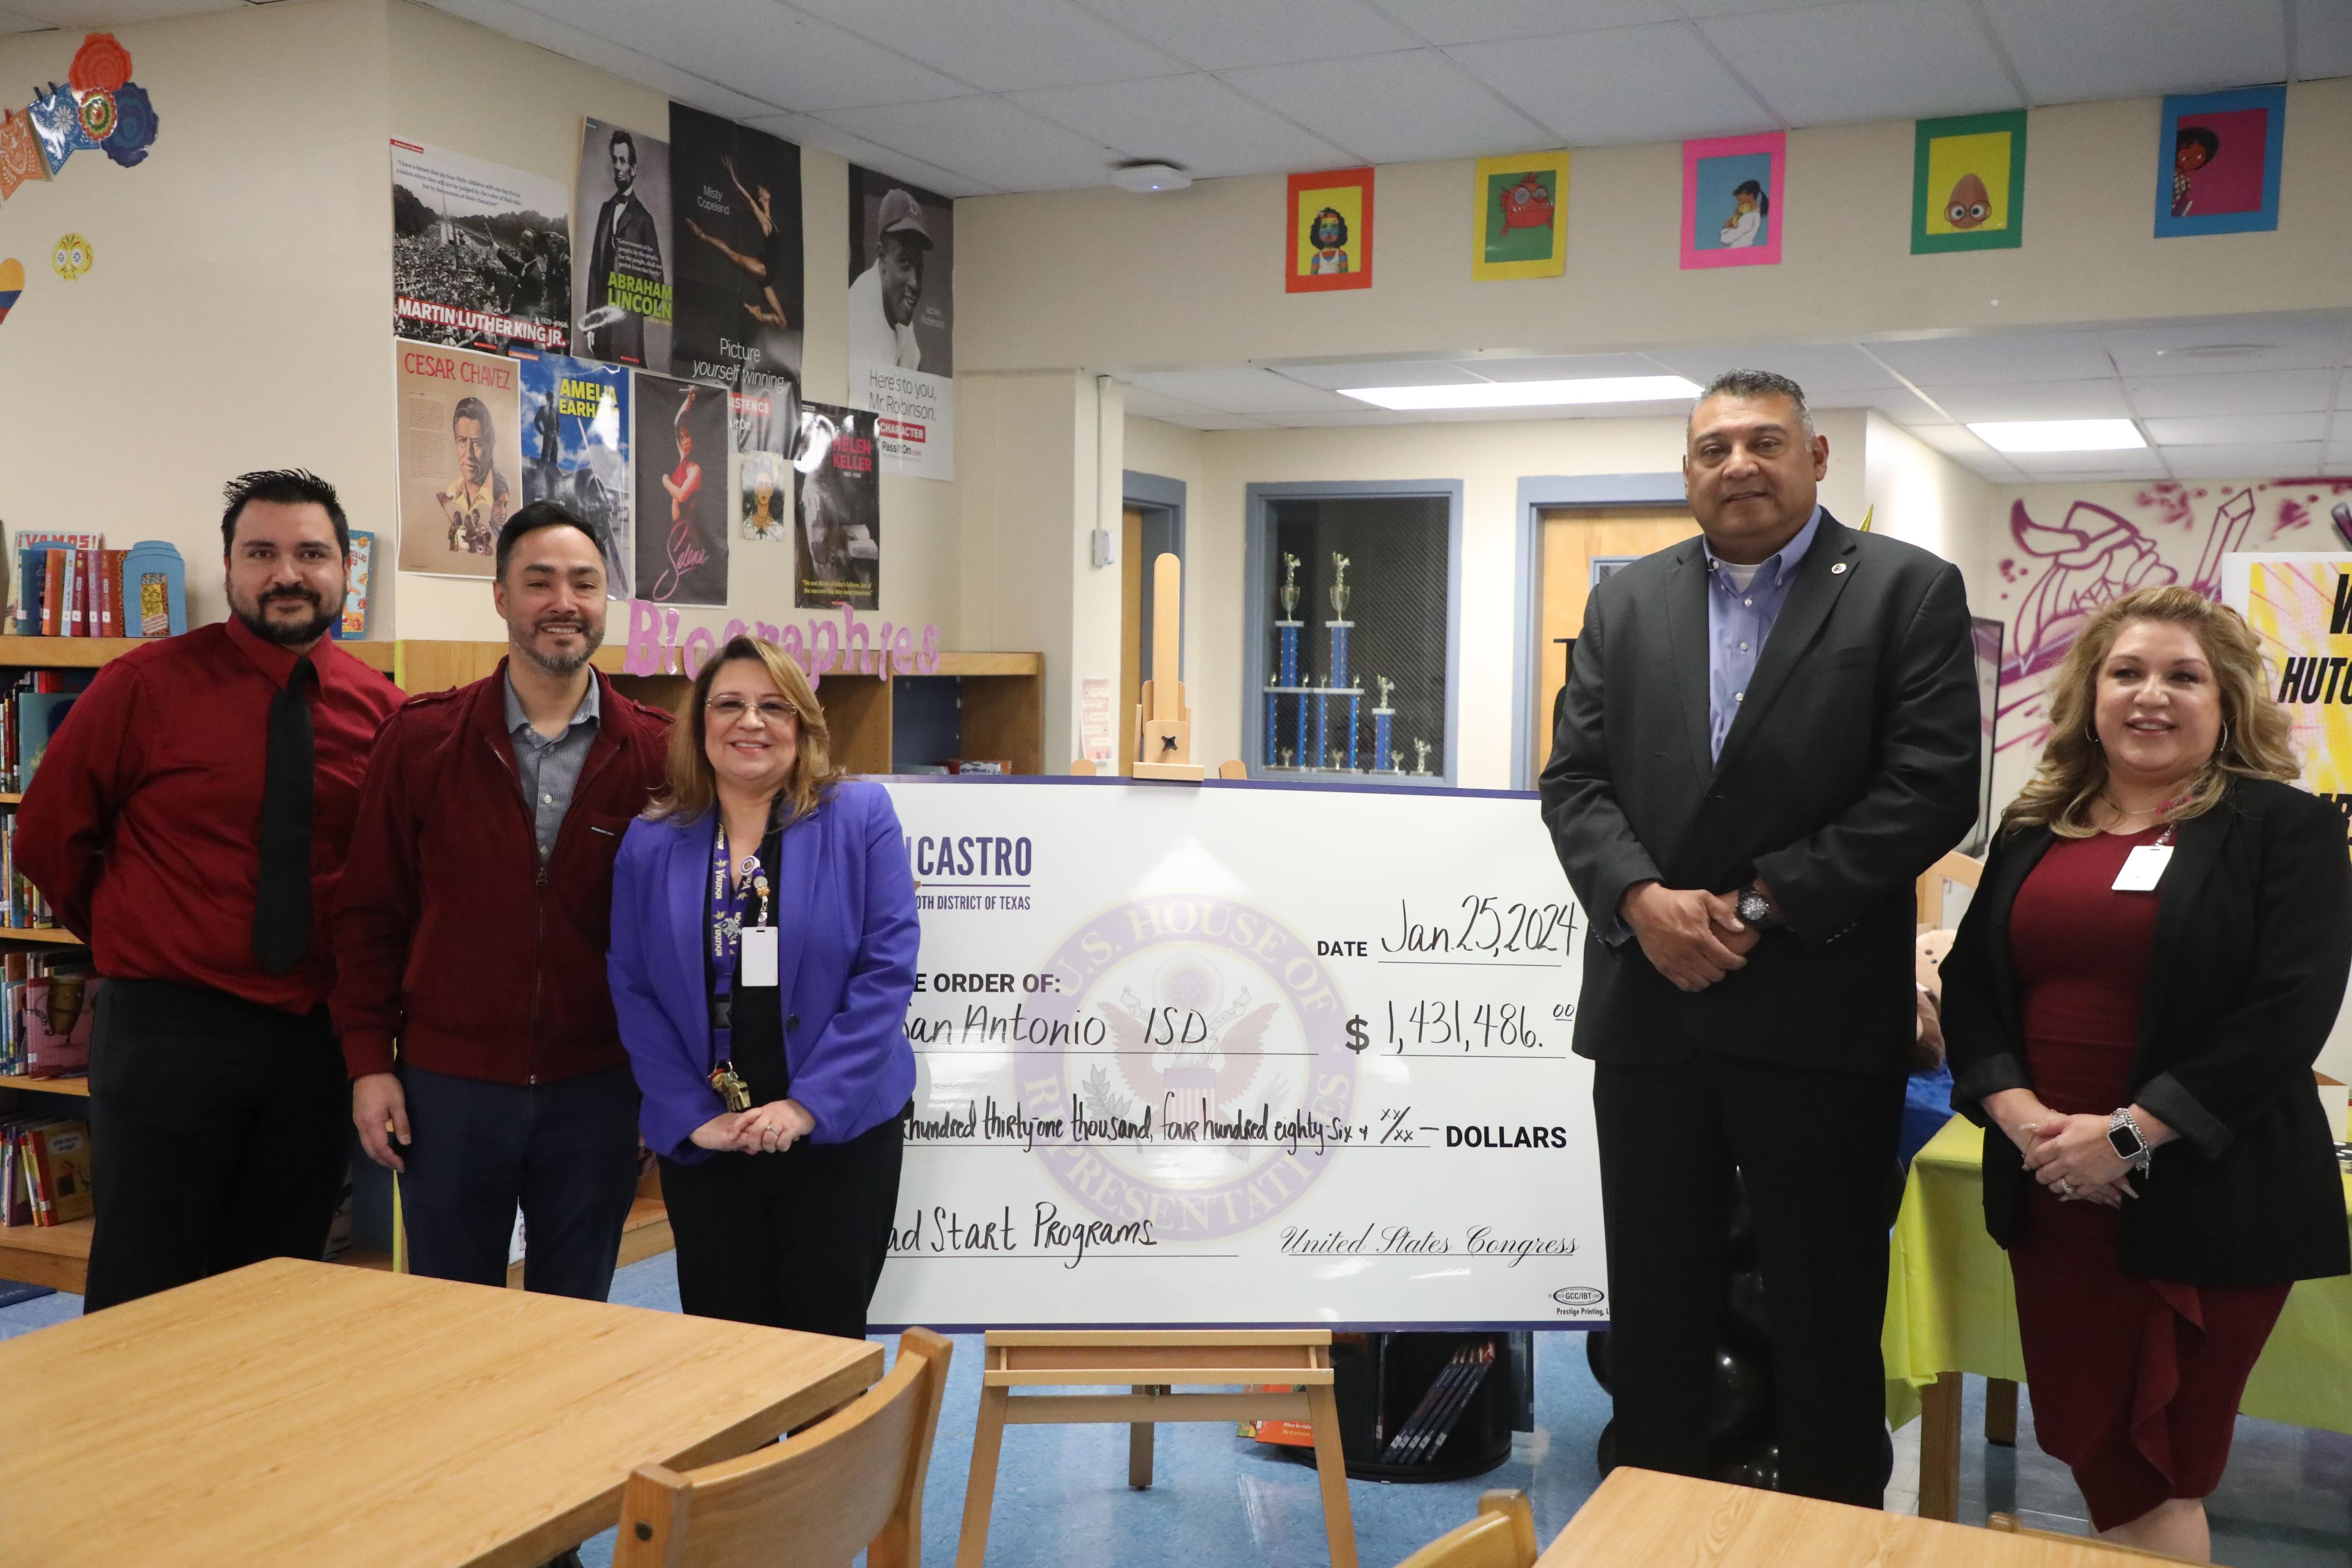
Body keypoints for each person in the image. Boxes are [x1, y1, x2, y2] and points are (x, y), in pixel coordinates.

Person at [1539, 368, 1980, 1504]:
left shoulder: (1904, 591)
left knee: (1825, 1316)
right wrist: (1642, 902)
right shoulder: (1627, 602)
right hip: (1653, 1013)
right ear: (1687, 471)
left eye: (1766, 442)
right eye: (1714, 447)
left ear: (1818, 456)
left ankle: (1833, 1532)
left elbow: (1929, 790)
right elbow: (1577, 785)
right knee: (1654, 1315)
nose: (1740, 464)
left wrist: (1752, 906)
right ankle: (1656, 1525)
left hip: (1818, 1018)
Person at [1941, 586, 2350, 1562]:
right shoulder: (2035, 824)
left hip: (2207, 1198)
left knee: (2160, 1455)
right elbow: (1970, 990)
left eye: (2182, 675)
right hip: (2053, 1191)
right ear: (2090, 693)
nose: (2149, 695)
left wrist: (2125, 1133)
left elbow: (2284, 1015)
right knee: (2091, 1444)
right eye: (2125, 672)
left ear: (2226, 701)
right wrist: (2029, 1123)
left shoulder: (2280, 829)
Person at [17, 470, 406, 1311]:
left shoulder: (383, 713)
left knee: (278, 1283)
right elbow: (48, 837)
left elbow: (385, 882)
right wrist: (136, 935)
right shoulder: (143, 686)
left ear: (345, 572)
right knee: (145, 1282)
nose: (287, 574)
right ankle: (122, 1446)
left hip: (311, 1041)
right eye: (260, 553)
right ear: (229, 568)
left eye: (311, 553)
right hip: (168, 1032)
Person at [333, 502, 671, 1300]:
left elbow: (678, 939)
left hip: (599, 1091)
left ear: (605, 601)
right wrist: (366, 1067)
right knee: (450, 1316)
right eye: (539, 581)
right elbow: (369, 917)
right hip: (447, 1091)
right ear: (499, 597)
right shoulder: (421, 742)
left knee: (574, 1315)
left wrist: (666, 1083)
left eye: (584, 583)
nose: (564, 602)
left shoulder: (659, 753)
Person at [608, 636, 917, 1337]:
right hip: (711, 1142)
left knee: (822, 1347)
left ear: (802, 725)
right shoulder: (651, 842)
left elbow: (886, 970)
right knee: (726, 1354)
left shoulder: (859, 819)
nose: (752, 722)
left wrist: (806, 1108)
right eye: (729, 705)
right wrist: (692, 1115)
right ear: (699, 725)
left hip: (839, 1139)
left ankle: (824, 1458)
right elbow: (633, 987)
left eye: (773, 706)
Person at [682, 153, 793, 333]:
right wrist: (733, 178)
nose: (764, 190)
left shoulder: (769, 220)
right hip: (763, 269)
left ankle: (758, 315)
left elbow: (752, 202)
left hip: (767, 278)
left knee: (783, 323)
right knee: (732, 255)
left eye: (763, 189)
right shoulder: (765, 223)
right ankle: (703, 236)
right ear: (763, 197)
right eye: (762, 190)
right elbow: (749, 201)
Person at [583, 126, 661, 366]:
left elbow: (657, 282)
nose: (617, 166)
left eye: (623, 161)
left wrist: (634, 312)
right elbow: (595, 269)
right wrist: (591, 324)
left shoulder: (644, 219)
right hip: (604, 326)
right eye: (615, 160)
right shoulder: (606, 209)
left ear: (634, 168)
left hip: (629, 331)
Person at [848, 188, 929, 371]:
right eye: (904, 263)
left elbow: (914, 369)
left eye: (919, 268)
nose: (915, 283)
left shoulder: (895, 302)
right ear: (882, 257)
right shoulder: (861, 316)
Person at [436, 395, 513, 557]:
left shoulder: (500, 493)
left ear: (490, 446)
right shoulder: (450, 492)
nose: (469, 454)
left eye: (477, 443)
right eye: (463, 441)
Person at [1718, 179, 1766, 248]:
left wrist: (1726, 227)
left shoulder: (1749, 216)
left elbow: (1725, 240)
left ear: (1751, 196)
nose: (1739, 203)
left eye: (1740, 200)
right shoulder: (1754, 215)